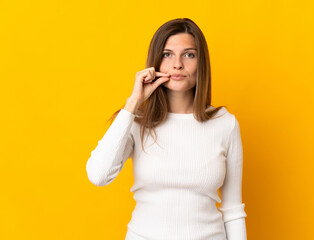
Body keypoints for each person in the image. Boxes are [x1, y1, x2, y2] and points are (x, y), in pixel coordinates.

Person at [86, 18, 247, 240]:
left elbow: (233, 210)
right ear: (155, 63)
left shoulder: (224, 124)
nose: (177, 64)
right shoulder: (136, 121)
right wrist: (133, 103)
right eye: (167, 54)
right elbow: (98, 175)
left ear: (201, 62)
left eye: (189, 54)